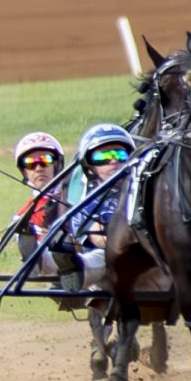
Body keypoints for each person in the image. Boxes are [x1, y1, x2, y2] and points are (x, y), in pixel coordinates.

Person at [54, 123, 137, 291]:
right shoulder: (87, 201)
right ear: (89, 165)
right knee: (101, 258)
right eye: (103, 157)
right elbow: (99, 240)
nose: (113, 161)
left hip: (152, 256)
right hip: (110, 256)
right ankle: (73, 269)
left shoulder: (141, 191)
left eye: (120, 154)